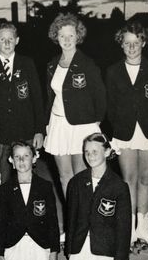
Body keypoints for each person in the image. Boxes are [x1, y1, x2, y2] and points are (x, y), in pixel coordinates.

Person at [43, 13, 106, 243]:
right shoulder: (51, 64)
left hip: (82, 127)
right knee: (64, 177)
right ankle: (73, 224)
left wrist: (94, 125)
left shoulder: (87, 63)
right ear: (56, 37)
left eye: (71, 35)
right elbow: (49, 97)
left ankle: (87, 226)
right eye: (62, 35)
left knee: (81, 178)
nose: (66, 40)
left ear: (77, 36)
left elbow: (100, 97)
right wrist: (48, 125)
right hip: (58, 124)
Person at [106, 21, 148, 249]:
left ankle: (143, 225)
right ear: (121, 45)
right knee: (128, 179)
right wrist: (116, 128)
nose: (132, 47)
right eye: (127, 43)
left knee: (146, 178)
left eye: (136, 42)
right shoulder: (112, 71)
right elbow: (109, 106)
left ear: (143, 42)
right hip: (125, 132)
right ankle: (129, 228)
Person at [0, 22, 45, 183]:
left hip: (25, 131)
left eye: (11, 39)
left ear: (17, 40)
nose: (7, 43)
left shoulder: (27, 63)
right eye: (2, 39)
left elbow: (37, 98)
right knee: (1, 177)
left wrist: (39, 130)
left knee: (27, 175)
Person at [66, 133, 131, 260]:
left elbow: (124, 225)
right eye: (87, 152)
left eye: (95, 151)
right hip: (82, 242)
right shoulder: (76, 182)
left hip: (105, 245)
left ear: (107, 152)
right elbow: (71, 219)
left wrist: (121, 257)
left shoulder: (118, 186)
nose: (90, 156)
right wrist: (70, 249)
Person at [0, 141, 59, 260]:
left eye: (26, 156)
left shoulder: (45, 186)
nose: (22, 160)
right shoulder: (5, 189)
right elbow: (1, 222)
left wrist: (54, 250)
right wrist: (0, 252)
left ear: (34, 158)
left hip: (38, 241)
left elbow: (52, 220)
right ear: (11, 160)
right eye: (17, 157)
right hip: (14, 242)